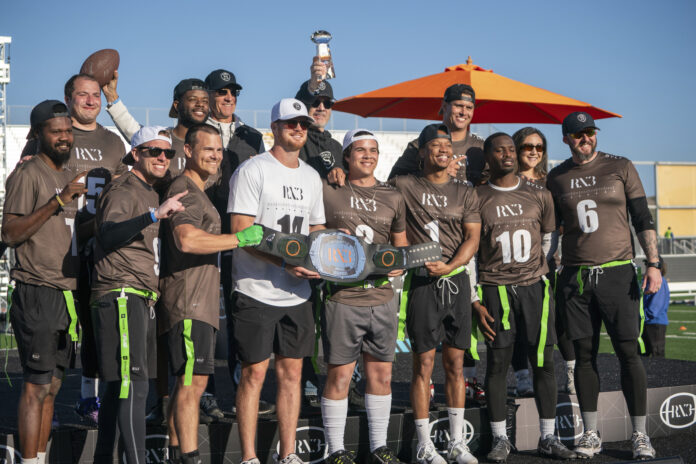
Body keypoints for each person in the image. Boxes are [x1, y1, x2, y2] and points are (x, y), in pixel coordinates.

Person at [546, 111, 661, 460]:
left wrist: (654, 263)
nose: (586, 138)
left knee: (629, 353)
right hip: (576, 277)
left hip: (617, 273)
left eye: (590, 132)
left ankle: (640, 434)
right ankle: (591, 432)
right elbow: (552, 231)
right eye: (578, 134)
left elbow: (642, 218)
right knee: (584, 356)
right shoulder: (557, 176)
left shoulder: (621, 166)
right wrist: (547, 263)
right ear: (566, 138)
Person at [21, 74, 128, 425]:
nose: (91, 101)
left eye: (95, 95)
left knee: (97, 327)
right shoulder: (53, 134)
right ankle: (44, 404)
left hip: (98, 245)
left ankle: (87, 397)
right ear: (68, 99)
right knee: (56, 330)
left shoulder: (113, 142)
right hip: (55, 244)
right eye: (83, 95)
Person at [228, 98, 325, 464]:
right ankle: (249, 457)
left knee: (292, 374)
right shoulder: (253, 170)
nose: (298, 129)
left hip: (297, 292)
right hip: (255, 288)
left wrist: (332, 249)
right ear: (275, 128)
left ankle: (288, 454)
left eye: (303, 124)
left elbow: (316, 228)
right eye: (290, 123)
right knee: (254, 374)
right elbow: (241, 231)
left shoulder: (311, 176)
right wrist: (284, 262)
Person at [159, 124, 263, 463]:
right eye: (208, 149)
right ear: (188, 151)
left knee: (187, 384)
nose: (215, 155)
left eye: (219, 150)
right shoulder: (185, 190)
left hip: (196, 302)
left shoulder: (198, 190)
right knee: (194, 384)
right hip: (188, 302)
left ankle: (176, 454)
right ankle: (189, 457)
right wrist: (239, 239)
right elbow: (186, 240)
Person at [473, 133, 576, 462]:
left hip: (534, 287)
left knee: (543, 362)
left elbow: (549, 238)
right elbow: (471, 251)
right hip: (495, 288)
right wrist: (474, 298)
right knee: (498, 364)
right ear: (488, 157)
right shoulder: (476, 196)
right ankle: (500, 439)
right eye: (499, 150)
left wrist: (535, 270)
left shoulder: (539, 194)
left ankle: (548, 437)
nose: (507, 154)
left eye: (510, 149)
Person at [90, 126, 187, 463]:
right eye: (153, 151)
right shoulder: (124, 188)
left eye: (167, 152)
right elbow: (107, 234)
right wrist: (153, 215)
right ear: (135, 154)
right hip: (121, 291)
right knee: (134, 383)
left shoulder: (149, 190)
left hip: (138, 294)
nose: (162, 157)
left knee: (119, 387)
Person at [2, 100, 87, 464]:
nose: (64, 137)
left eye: (68, 130)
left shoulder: (68, 175)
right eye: (56, 132)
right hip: (37, 291)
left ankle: (39, 457)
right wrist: (58, 200)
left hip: (67, 293)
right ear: (37, 133)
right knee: (36, 386)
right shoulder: (28, 173)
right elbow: (9, 233)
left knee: (52, 386)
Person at [391, 124, 480, 464]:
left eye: (447, 144)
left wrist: (451, 265)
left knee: (455, 363)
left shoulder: (465, 190)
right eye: (435, 144)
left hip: (456, 281)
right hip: (423, 283)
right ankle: (424, 444)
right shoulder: (404, 184)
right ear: (422, 150)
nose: (443, 149)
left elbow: (472, 238)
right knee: (423, 364)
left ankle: (457, 442)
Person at [320, 129, 408, 464]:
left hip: (381, 297)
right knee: (340, 376)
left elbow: (400, 245)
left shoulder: (393, 196)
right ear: (346, 156)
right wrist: (332, 237)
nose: (368, 155)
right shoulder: (329, 189)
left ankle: (378, 446)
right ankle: (335, 449)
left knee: (381, 376)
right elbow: (313, 235)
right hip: (343, 297)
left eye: (373, 150)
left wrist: (399, 263)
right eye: (360, 150)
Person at [203, 68, 273, 419]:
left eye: (233, 92)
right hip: (203, 231)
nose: (229, 97)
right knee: (203, 316)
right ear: (208, 96)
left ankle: (241, 392)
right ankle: (205, 393)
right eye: (221, 92)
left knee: (237, 316)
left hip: (239, 234)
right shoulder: (197, 131)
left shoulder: (251, 135)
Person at [512, 127, 576, 395]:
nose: (534, 152)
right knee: (518, 325)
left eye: (539, 147)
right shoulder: (506, 181)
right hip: (513, 266)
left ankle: (571, 373)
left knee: (557, 321)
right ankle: (522, 378)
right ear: (516, 149)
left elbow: (564, 219)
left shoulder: (552, 181)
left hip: (548, 263)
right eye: (528, 146)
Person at [103, 74, 210, 179]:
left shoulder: (214, 145)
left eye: (205, 101)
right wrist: (111, 96)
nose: (200, 104)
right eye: (193, 99)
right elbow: (131, 128)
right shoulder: (160, 138)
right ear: (177, 105)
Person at [389, 84, 485, 185]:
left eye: (469, 107)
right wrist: (436, 174)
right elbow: (393, 182)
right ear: (445, 106)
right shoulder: (420, 145)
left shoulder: (481, 147)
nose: (463, 112)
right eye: (458, 106)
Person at [642, 257, 669, 357]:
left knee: (657, 355)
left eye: (648, 265)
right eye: (646, 264)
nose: (646, 267)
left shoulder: (659, 282)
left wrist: (642, 317)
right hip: (647, 322)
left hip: (655, 324)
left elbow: (654, 309)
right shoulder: (648, 281)